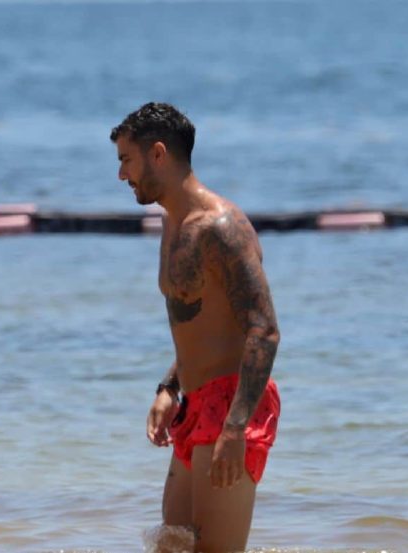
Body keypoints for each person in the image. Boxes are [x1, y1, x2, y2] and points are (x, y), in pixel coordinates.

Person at [111, 103, 281, 553]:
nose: (122, 175)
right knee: (171, 545)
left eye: (127, 160)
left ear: (159, 154)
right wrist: (169, 387)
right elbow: (201, 323)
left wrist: (235, 428)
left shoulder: (222, 228)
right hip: (193, 404)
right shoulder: (171, 225)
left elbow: (263, 331)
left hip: (231, 405)